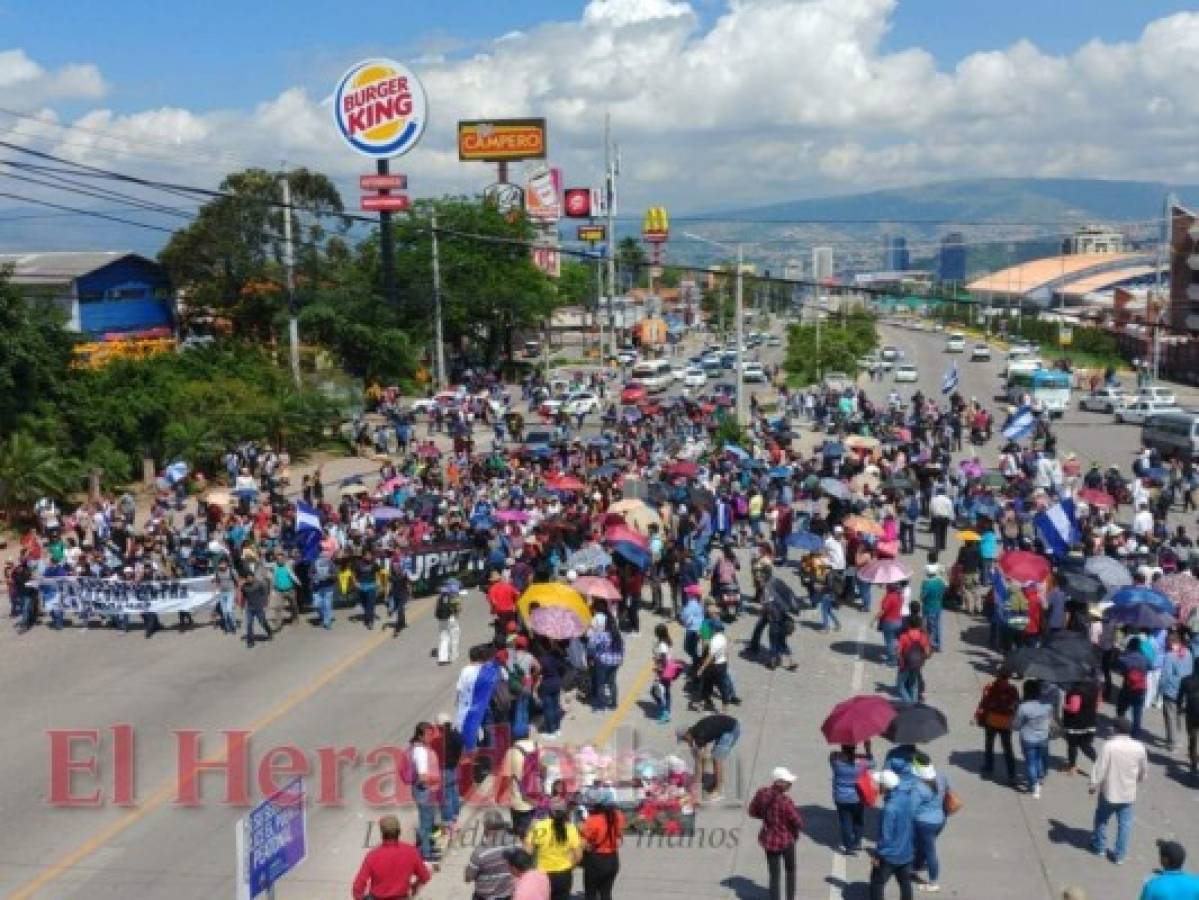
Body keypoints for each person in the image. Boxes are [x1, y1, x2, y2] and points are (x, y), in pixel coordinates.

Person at [1090, 717, 1148, 865]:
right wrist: (1140, 779)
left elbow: (1100, 768)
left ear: (1116, 729)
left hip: (1109, 791)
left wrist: (1093, 784)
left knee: (1102, 819)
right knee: (1125, 825)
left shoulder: (1109, 746)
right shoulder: (1139, 747)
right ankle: (1120, 855)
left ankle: (1100, 847)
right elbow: (1143, 769)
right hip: (1128, 792)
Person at [747, 767, 804, 900]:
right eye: (788, 782)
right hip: (786, 840)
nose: (791, 784)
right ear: (780, 783)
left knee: (774, 875)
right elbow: (799, 822)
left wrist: (767, 817)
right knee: (790, 870)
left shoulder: (762, 793)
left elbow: (752, 811)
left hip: (769, 840)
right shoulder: (786, 802)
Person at [352, 815, 432, 900]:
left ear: (382, 833)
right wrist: (415, 886)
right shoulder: (411, 851)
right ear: (399, 832)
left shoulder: (372, 855)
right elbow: (425, 876)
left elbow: (358, 887)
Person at [870, 769, 916, 900]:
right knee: (905, 883)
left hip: (889, 855)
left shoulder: (889, 808)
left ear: (885, 787)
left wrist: (878, 855)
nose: (877, 786)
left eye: (879, 784)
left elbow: (886, 836)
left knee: (877, 883)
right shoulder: (907, 798)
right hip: (906, 852)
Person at [525, 797, 582, 900]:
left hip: (542, 875)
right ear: (565, 811)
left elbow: (527, 852)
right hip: (563, 874)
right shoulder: (570, 828)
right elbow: (578, 856)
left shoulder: (538, 826)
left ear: (550, 811)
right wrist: (570, 866)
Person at [677, 714, 741, 801]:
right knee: (711, 755)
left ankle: (719, 791)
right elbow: (702, 756)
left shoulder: (700, 735)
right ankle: (712, 781)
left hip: (731, 730)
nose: (686, 742)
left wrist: (695, 786)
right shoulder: (696, 731)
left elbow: (699, 761)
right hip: (727, 727)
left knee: (717, 759)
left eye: (684, 739)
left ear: (687, 734)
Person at [975, 668, 1019, 785]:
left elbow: (984, 703)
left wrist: (979, 715)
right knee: (1006, 748)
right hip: (1003, 722)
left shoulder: (991, 688)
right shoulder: (1011, 690)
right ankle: (1011, 774)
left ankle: (989, 767)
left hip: (993, 721)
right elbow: (1015, 705)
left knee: (991, 745)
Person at [911, 757, 949, 894]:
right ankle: (915, 868)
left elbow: (912, 808)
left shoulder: (919, 787)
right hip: (941, 819)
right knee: (924, 846)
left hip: (924, 823)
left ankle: (933, 882)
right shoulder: (941, 777)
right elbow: (948, 791)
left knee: (929, 851)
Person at [580, 791, 625, 900]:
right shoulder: (618, 816)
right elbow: (620, 839)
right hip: (613, 859)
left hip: (596, 860)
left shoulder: (593, 820)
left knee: (591, 894)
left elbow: (584, 844)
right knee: (606, 893)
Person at [1012, 678, 1052, 798]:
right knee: (1040, 758)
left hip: (1028, 738)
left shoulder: (1024, 707)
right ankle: (1040, 777)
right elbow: (1050, 718)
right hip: (1044, 736)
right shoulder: (1047, 705)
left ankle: (1034, 784)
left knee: (1030, 762)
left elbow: (1016, 725)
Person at [465, 810, 518, 900]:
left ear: (486, 828)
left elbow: (468, 878)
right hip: (509, 894)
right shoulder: (516, 843)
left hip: (485, 896)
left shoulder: (480, 852)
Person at [408, 722, 441, 864]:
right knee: (426, 823)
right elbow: (422, 776)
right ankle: (425, 852)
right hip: (425, 790)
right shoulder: (420, 752)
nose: (431, 737)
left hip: (428, 790)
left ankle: (429, 846)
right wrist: (432, 783)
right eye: (428, 734)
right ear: (420, 736)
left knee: (430, 820)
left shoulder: (421, 748)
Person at [830, 744, 872, 854]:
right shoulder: (861, 764)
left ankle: (848, 846)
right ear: (854, 749)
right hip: (857, 797)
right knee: (858, 821)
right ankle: (857, 842)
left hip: (841, 798)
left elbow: (832, 755)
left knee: (845, 822)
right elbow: (873, 763)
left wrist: (847, 754)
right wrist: (867, 751)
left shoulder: (836, 763)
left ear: (842, 749)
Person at [1160, 631, 1194, 753]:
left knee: (1170, 717)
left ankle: (1172, 743)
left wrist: (1160, 689)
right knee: (1179, 716)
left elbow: (1165, 675)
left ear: (1171, 642)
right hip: (1185, 690)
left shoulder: (1170, 656)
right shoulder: (1188, 653)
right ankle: (1178, 740)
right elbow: (1190, 671)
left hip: (1171, 690)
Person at [504, 732, 543, 838]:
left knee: (524, 832)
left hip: (520, 798)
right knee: (535, 825)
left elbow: (506, 775)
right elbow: (544, 768)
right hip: (536, 793)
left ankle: (522, 837)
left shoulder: (511, 752)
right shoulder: (537, 746)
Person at [1062, 679, 1099, 775]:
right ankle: (1100, 763)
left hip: (1075, 724)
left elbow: (1074, 708)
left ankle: (1072, 766)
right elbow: (1098, 703)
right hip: (1090, 721)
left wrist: (1065, 706)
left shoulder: (1076, 691)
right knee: (1086, 745)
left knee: (1072, 746)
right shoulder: (1095, 687)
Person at [896, 615, 931, 703]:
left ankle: (909, 703)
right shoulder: (923, 636)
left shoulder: (904, 636)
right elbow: (927, 653)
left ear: (909, 625)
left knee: (900, 686)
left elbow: (898, 651)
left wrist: (900, 660)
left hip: (906, 664)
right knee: (914, 684)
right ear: (919, 625)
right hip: (917, 664)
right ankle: (914, 705)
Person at [875, 582, 905, 667]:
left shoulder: (890, 597)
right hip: (898, 620)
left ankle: (892, 660)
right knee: (895, 640)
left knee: (889, 642)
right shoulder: (899, 596)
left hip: (889, 622)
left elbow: (883, 611)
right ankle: (897, 657)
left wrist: (874, 620)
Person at [918, 565, 947, 651]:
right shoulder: (940, 581)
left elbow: (922, 596)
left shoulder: (926, 583)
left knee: (929, 627)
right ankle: (938, 644)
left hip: (928, 607)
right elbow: (944, 590)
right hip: (938, 605)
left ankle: (931, 644)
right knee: (937, 625)